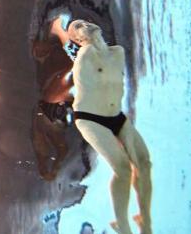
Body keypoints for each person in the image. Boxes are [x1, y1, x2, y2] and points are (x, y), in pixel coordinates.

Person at [67, 20, 152, 234]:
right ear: (79, 41)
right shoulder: (84, 56)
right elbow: (84, 46)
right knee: (122, 168)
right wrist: (81, 36)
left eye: (83, 24)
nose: (83, 28)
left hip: (116, 116)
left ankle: (145, 219)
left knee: (143, 162)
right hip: (89, 117)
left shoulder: (117, 53)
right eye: (77, 31)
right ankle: (122, 224)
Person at [31, 16, 75, 180]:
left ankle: (48, 167)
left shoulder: (53, 76)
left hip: (50, 107)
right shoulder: (60, 81)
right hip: (51, 106)